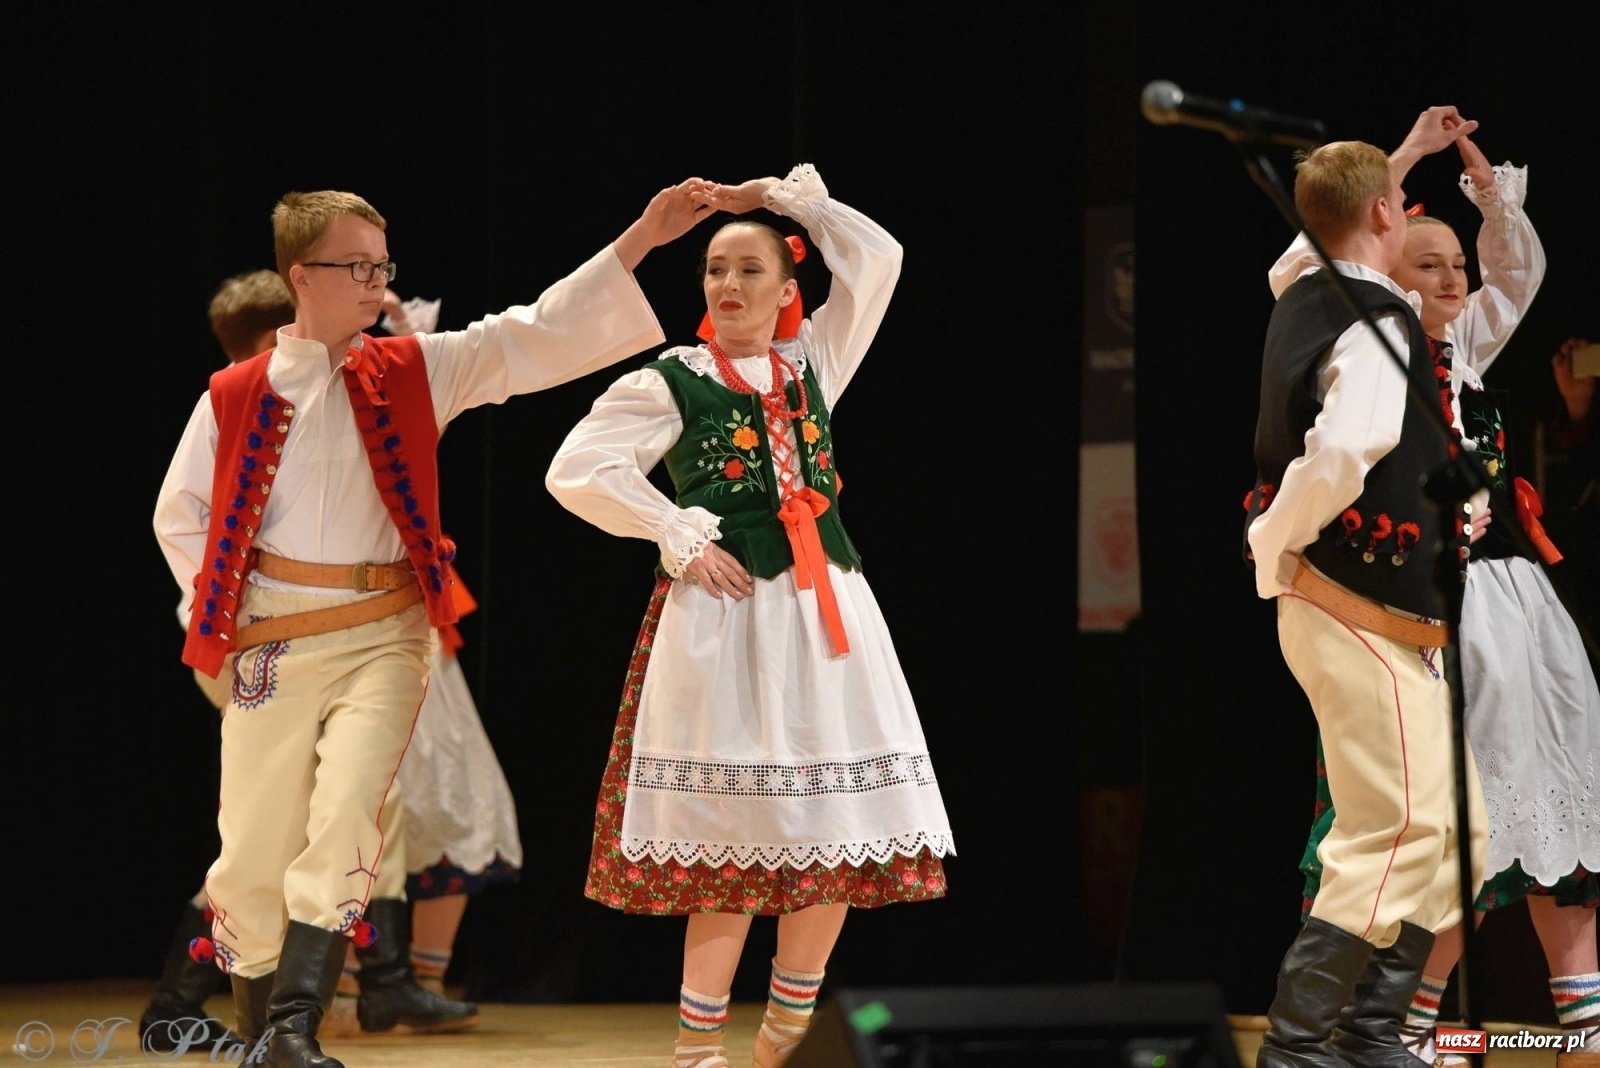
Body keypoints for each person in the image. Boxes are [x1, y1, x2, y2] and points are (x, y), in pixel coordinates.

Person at [152, 181, 712, 1068]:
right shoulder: (235, 393)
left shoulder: (418, 367)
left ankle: (295, 1026)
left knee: (349, 818)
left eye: (383, 265)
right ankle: (266, 1028)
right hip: (273, 638)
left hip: (385, 634)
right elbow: (179, 516)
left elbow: (533, 333)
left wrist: (641, 239)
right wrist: (224, 611)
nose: (378, 282)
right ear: (303, 276)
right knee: (253, 850)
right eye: (357, 266)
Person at [545, 164, 955, 1068]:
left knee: (835, 833)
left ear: (786, 287)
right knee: (725, 845)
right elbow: (576, 468)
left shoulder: (816, 364)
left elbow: (880, 257)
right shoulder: (672, 380)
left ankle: (782, 1038)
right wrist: (674, 528)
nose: (728, 286)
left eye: (748, 269)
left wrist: (779, 201)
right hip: (726, 623)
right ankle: (698, 1051)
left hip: (830, 616)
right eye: (715, 271)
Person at [1288, 146, 1599, 1067]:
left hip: (1509, 598)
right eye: (1432, 263)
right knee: (1450, 808)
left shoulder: (1462, 346)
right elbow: (1316, 255)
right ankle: (1411, 1022)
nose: (1455, 277)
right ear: (1387, 266)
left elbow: (1518, 271)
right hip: (1425, 605)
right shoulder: (1365, 340)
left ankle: (1582, 1008)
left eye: (1457, 264)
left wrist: (1490, 200)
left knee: (1552, 781)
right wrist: (1401, 161)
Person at [1240, 107, 1491, 1068]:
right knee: (1394, 826)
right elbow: (1346, 444)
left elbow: (1332, 217)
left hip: (1387, 620)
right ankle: (1303, 1049)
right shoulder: (1374, 315)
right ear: (1388, 212)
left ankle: (1370, 1032)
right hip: (1353, 605)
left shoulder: (1305, 283)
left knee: (1460, 828)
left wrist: (1405, 158)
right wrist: (1279, 536)